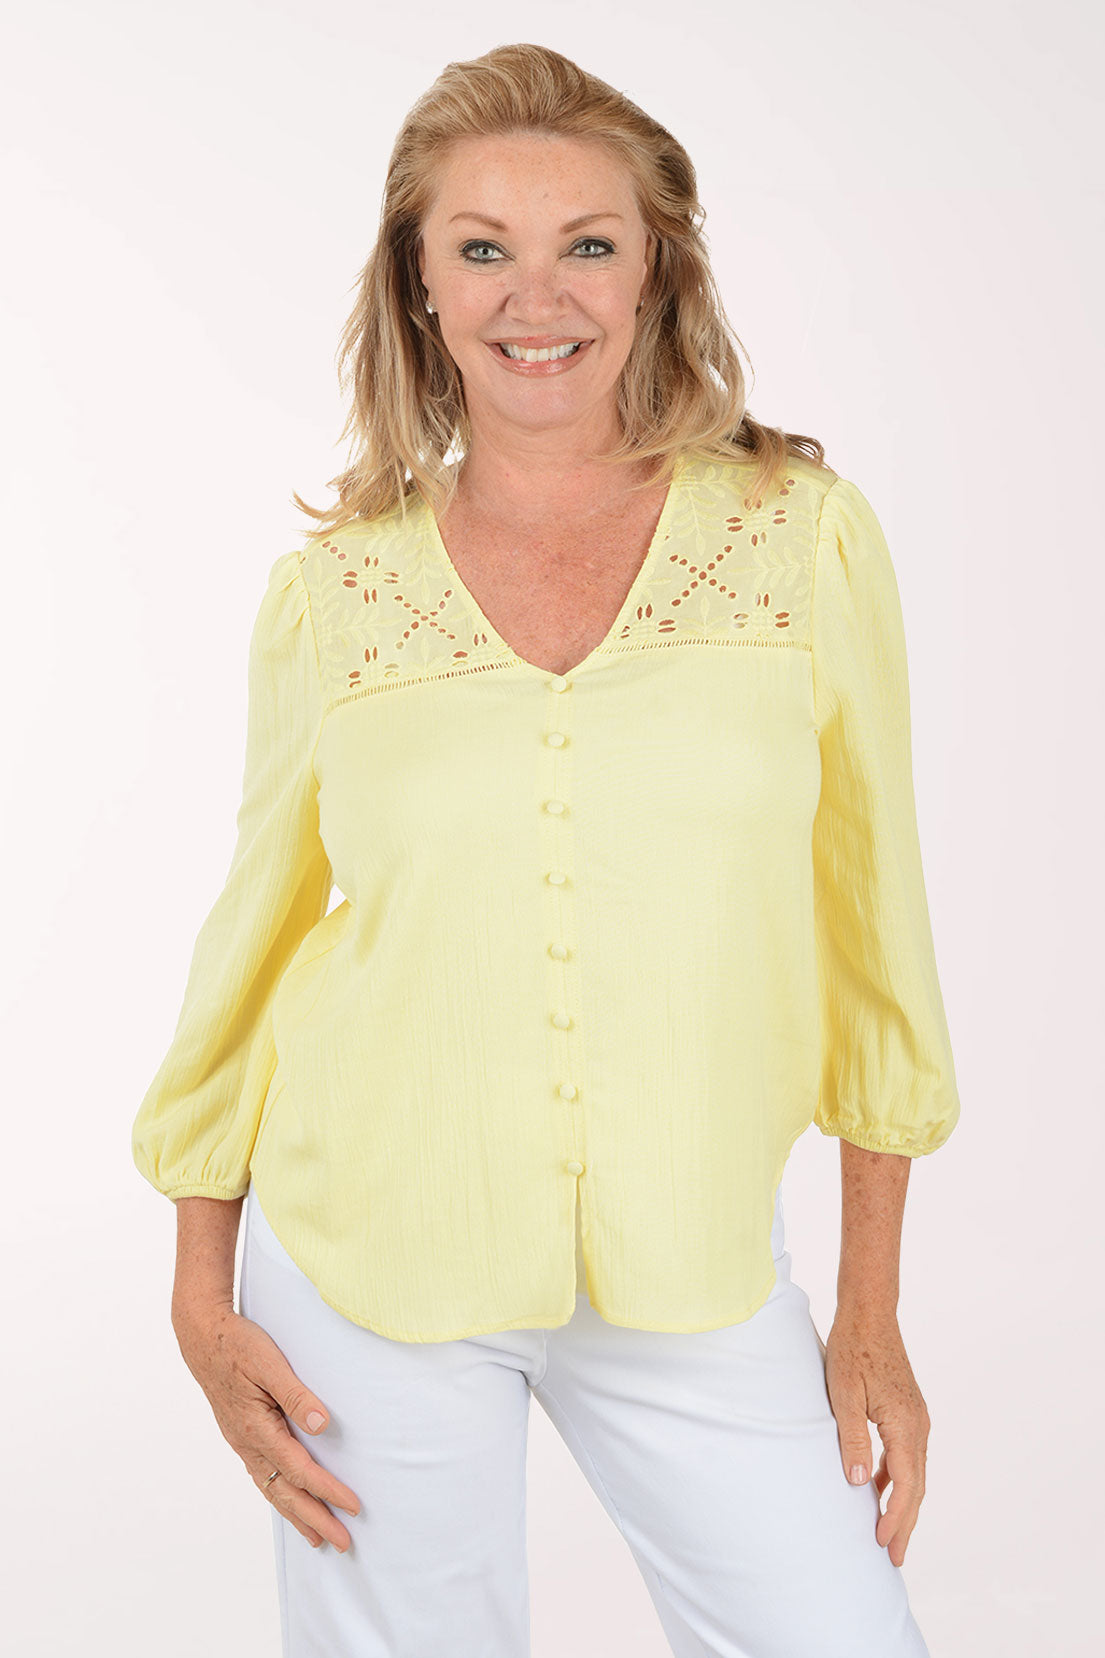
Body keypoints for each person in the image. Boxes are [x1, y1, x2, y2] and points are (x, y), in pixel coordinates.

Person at [131, 41, 961, 1658]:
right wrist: (197, 1290)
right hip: (369, 1258)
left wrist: (868, 1302)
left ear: (656, 269)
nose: (539, 296)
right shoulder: (337, 592)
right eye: (482, 249)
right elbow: (250, 941)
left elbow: (879, 929)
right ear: (420, 285)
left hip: (696, 1255)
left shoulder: (799, 541)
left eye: (586, 242)